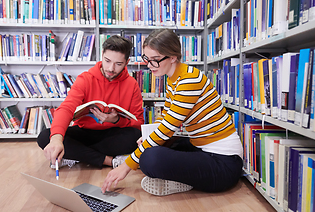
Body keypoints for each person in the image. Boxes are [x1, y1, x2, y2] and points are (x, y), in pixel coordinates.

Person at [102, 29, 243, 196]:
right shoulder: (173, 78)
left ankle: (183, 179)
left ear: (173, 57)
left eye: (155, 60)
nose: (149, 65)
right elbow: (165, 119)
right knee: (148, 147)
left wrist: (126, 165)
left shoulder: (189, 80)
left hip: (224, 163)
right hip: (202, 149)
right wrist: (148, 136)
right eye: (146, 59)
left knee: (149, 158)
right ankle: (183, 177)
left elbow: (168, 128)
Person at [37, 35, 144, 169]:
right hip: (84, 132)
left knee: (136, 136)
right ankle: (110, 161)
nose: (111, 68)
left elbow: (139, 124)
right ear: (102, 55)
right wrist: (56, 139)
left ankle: (76, 155)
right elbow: (66, 108)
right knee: (45, 137)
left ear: (126, 62)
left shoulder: (132, 84)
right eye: (107, 61)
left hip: (113, 134)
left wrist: (117, 121)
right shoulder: (85, 79)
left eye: (118, 64)